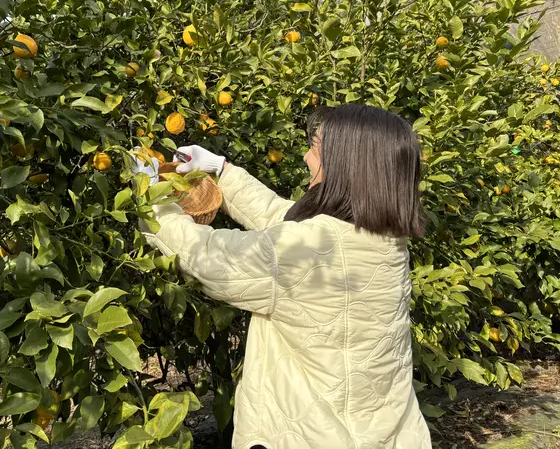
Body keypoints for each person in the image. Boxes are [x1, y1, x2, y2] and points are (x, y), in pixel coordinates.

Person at [131, 104, 431, 449]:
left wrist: (151, 199)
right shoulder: (384, 240)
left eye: (315, 147)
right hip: (387, 435)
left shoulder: (305, 250)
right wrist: (222, 171)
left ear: (347, 165)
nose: (306, 157)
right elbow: (287, 220)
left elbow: (205, 255)